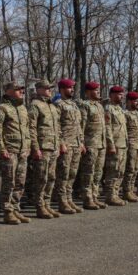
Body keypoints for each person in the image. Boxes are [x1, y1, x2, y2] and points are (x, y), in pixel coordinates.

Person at [0, 82, 31, 225]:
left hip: (22, 151)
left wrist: (27, 146)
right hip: (10, 151)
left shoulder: (22, 108)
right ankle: (7, 211)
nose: (22, 91)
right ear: (8, 91)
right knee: (9, 182)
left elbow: (27, 129)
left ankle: (16, 208)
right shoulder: (2, 108)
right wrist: (2, 149)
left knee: (20, 182)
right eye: (18, 89)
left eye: (22, 89)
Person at [27, 80, 61, 219]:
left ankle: (47, 204)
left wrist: (59, 144)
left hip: (53, 146)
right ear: (39, 89)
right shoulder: (35, 105)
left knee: (51, 177)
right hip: (42, 147)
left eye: (50, 88)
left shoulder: (51, 106)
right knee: (41, 178)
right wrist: (35, 148)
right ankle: (40, 206)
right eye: (47, 88)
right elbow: (31, 128)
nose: (49, 90)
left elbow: (57, 128)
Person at [53, 78, 84, 214]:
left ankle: (69, 199)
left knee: (72, 174)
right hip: (66, 144)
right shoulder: (58, 105)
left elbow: (79, 126)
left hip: (76, 144)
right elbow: (57, 126)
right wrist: (61, 143)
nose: (72, 90)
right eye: (69, 87)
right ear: (62, 89)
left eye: (73, 87)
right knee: (63, 174)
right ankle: (62, 201)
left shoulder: (74, 105)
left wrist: (81, 142)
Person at [78, 82, 107, 209]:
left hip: (101, 144)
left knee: (98, 173)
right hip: (90, 144)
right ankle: (87, 198)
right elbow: (81, 125)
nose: (98, 92)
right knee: (88, 173)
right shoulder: (85, 106)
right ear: (89, 92)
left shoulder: (100, 106)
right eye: (96, 90)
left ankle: (94, 196)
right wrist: (81, 143)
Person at [102, 86, 128, 206]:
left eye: (122, 94)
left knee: (120, 171)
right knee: (113, 170)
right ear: (112, 94)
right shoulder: (108, 109)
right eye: (119, 94)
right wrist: (110, 144)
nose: (122, 96)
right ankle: (110, 196)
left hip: (123, 144)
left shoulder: (120, 109)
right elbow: (107, 128)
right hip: (115, 144)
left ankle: (116, 194)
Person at [121, 91, 138, 203]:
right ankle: (126, 191)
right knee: (129, 169)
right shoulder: (125, 114)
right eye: (135, 101)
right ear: (129, 101)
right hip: (130, 144)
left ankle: (131, 190)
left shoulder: (137, 114)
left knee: (136, 169)